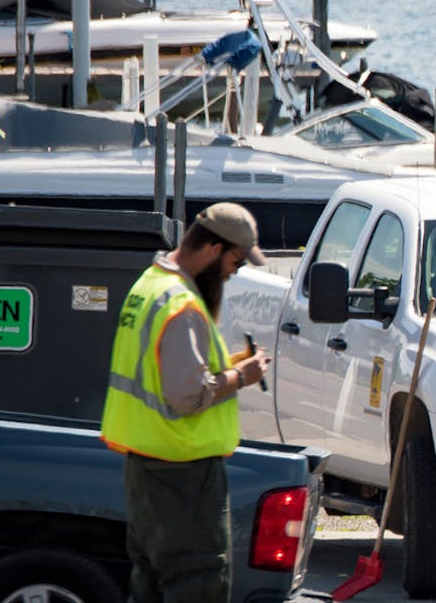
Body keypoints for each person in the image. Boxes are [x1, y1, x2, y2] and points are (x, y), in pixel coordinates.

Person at [101, 202, 272, 603]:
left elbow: (162, 375)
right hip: (183, 477)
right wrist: (242, 376)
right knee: (198, 581)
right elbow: (188, 396)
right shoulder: (182, 306)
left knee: (150, 585)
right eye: (235, 261)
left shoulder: (150, 285)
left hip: (145, 468)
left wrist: (227, 369)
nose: (234, 271)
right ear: (213, 248)